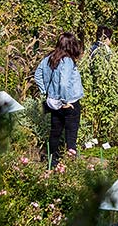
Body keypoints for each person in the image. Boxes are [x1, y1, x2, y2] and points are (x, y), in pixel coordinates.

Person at [34, 32, 85, 166]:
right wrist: (65, 101)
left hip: (53, 102)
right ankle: (70, 165)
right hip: (68, 102)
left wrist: (46, 92)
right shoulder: (67, 60)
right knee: (71, 135)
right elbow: (63, 83)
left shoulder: (49, 58)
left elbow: (37, 75)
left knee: (55, 133)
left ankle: (52, 162)